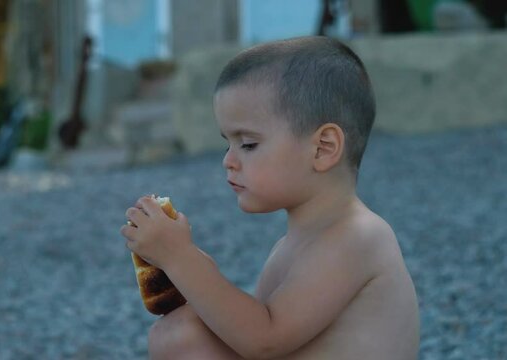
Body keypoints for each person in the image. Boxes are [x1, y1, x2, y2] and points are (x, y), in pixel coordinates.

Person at [121, 36, 420, 359]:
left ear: (323, 148)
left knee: (182, 336)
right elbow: (247, 333)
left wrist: (181, 258)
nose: (228, 160)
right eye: (228, 144)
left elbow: (264, 340)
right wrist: (179, 261)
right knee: (182, 332)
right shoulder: (292, 244)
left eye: (247, 144)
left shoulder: (358, 237)